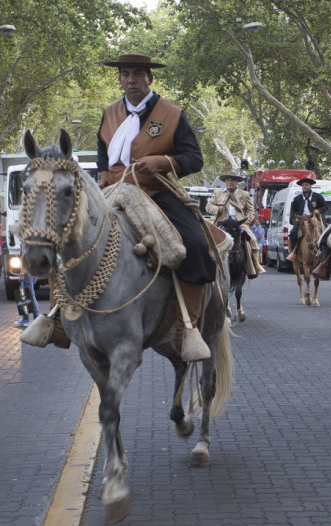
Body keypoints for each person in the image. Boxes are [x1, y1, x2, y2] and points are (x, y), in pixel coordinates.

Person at [95, 52, 215, 360]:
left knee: (196, 247)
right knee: (67, 239)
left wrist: (163, 161)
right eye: (125, 74)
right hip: (115, 191)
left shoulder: (172, 114)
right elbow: (102, 154)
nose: (130, 79)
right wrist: (103, 176)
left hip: (158, 192)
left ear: (150, 77)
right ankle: (56, 318)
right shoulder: (109, 113)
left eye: (137, 73)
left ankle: (186, 330)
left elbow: (194, 159)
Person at [205, 171, 265, 279]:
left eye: (232, 180)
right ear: (225, 181)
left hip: (239, 223)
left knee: (253, 241)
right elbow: (208, 207)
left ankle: (255, 265)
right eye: (227, 180)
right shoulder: (217, 193)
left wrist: (245, 223)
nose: (230, 182)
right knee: (207, 240)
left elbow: (251, 211)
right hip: (222, 223)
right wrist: (217, 209)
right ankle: (206, 265)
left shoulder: (244, 194)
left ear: (237, 182)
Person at [285, 177, 327, 262]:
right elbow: (292, 210)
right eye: (303, 185)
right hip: (302, 220)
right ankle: (294, 252)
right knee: (293, 233)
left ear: (310, 186)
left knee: (326, 232)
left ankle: (326, 254)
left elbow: (325, 206)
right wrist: (295, 218)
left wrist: (318, 210)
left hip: (314, 218)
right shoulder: (297, 199)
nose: (305, 186)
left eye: (307, 185)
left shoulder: (317, 196)